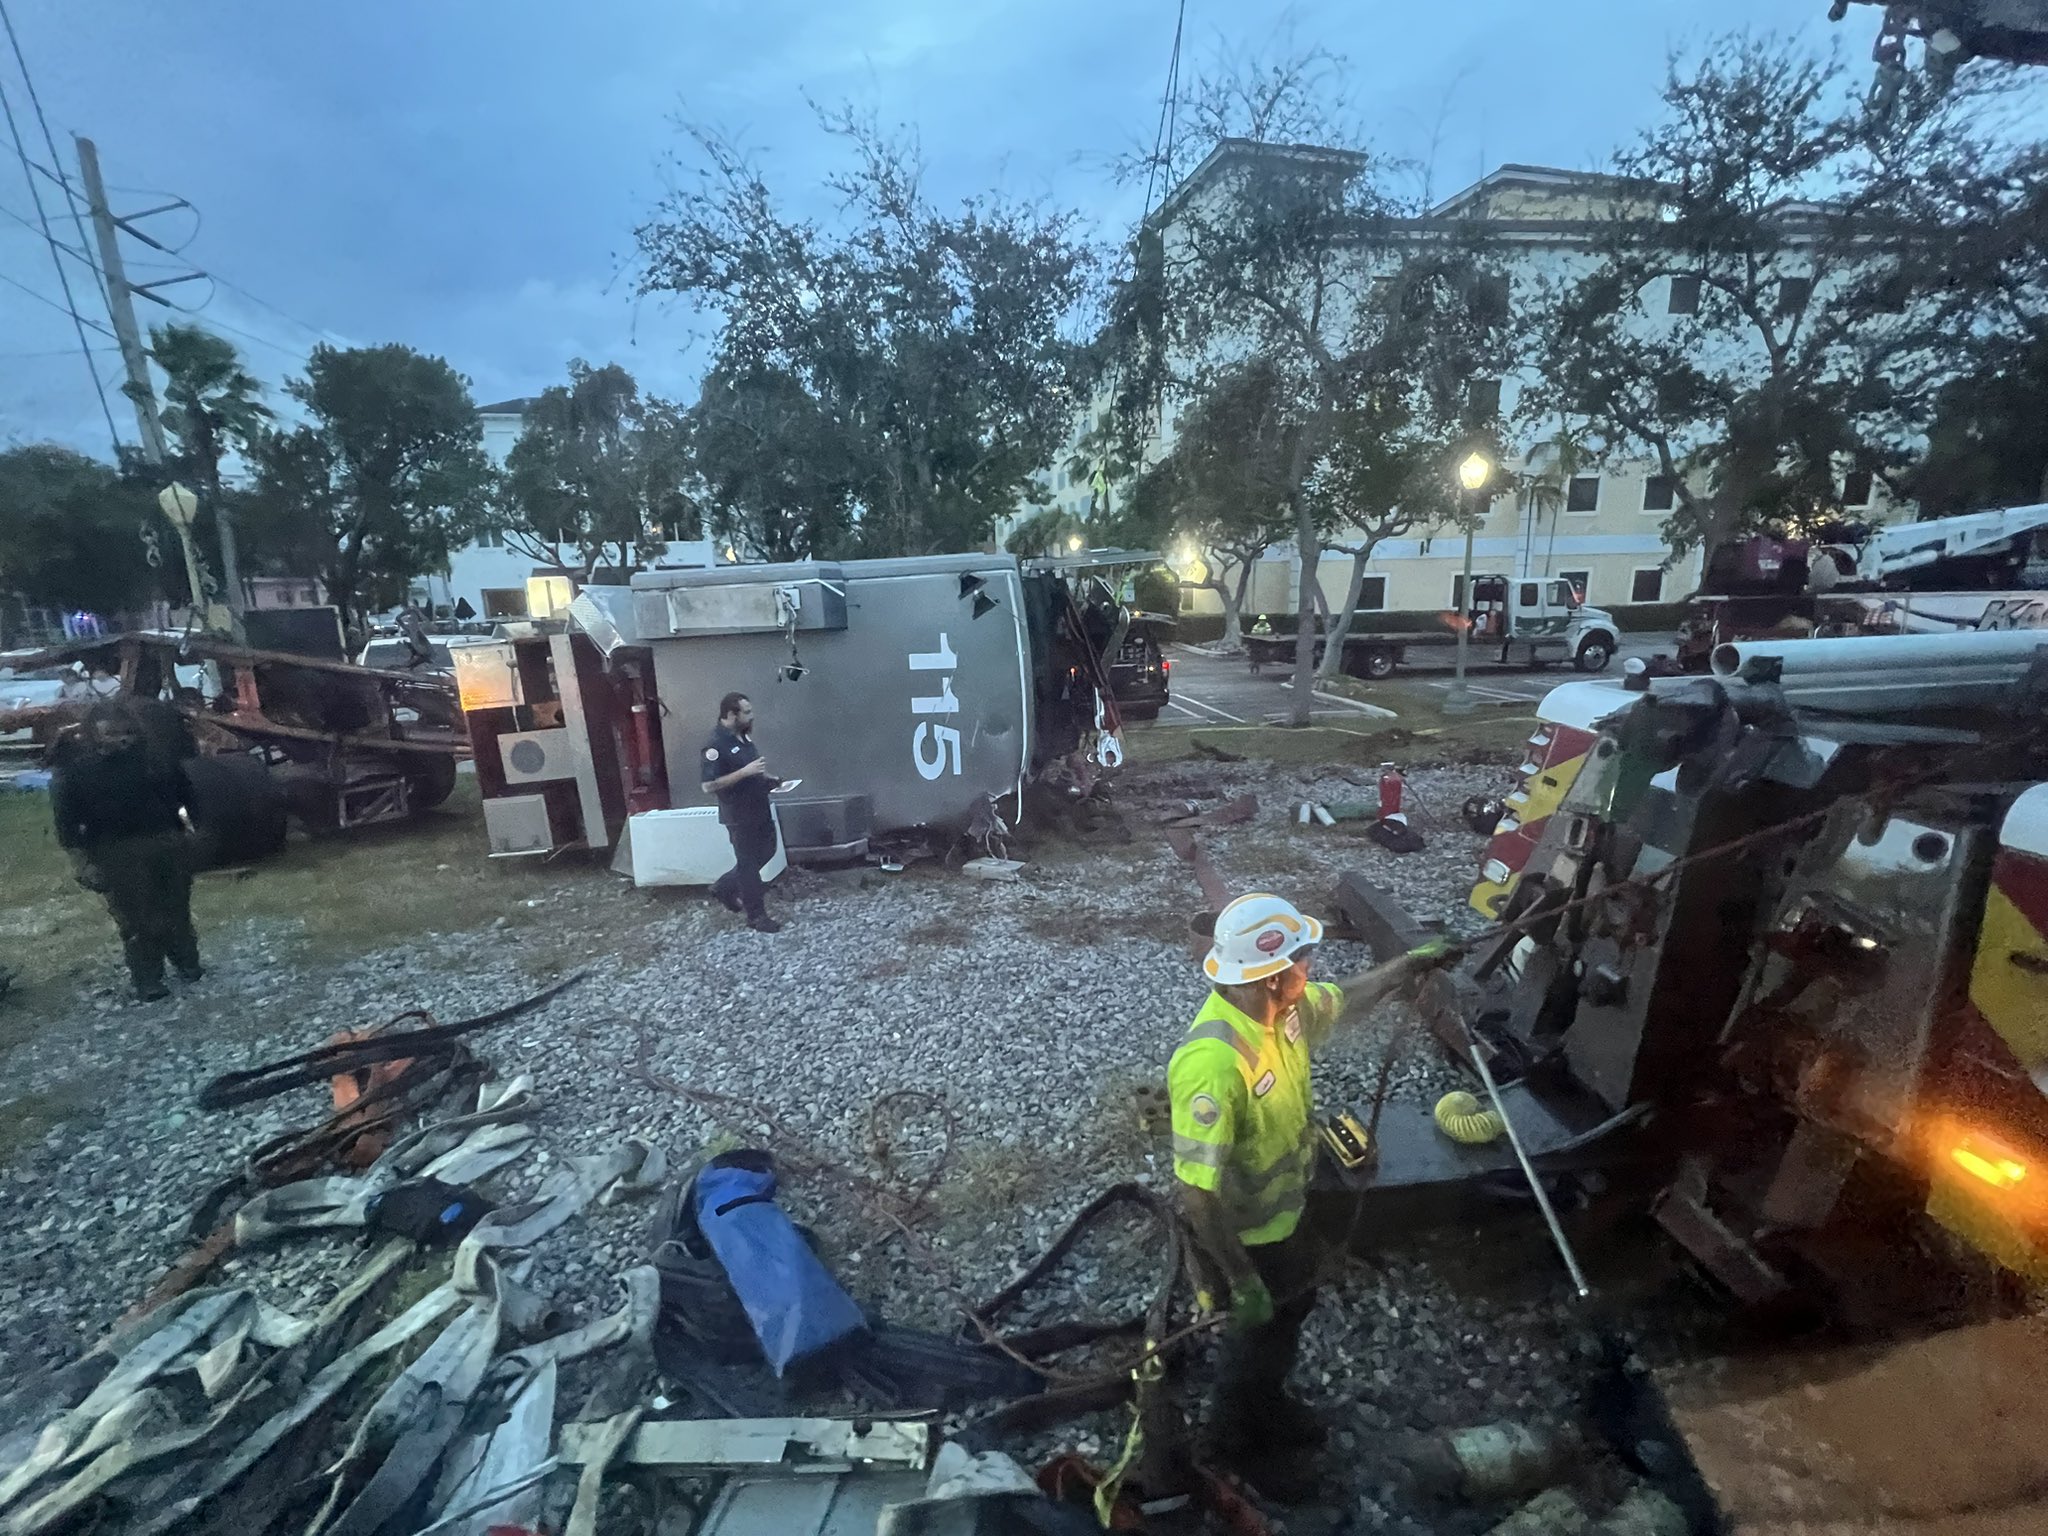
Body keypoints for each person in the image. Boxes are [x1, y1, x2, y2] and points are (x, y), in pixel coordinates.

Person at [1168, 892, 1448, 1498]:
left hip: (1287, 1218)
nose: (1310, 969)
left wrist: (1409, 966)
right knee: (1254, 1338)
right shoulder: (1214, 1063)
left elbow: (1347, 998)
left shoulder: (1283, 1012)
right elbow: (1196, 1196)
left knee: (1291, 1313)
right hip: (1243, 1242)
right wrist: (1239, 1280)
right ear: (1269, 973)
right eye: (1301, 960)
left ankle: (1267, 1400)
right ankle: (1237, 1446)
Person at [48, 697, 203, 1002]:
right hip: (114, 850)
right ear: (93, 734)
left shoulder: (154, 758)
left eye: (125, 733)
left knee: (176, 909)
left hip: (165, 839)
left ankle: (188, 963)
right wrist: (81, 861)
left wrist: (194, 831)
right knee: (137, 919)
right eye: (109, 734)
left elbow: (187, 794)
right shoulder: (78, 769)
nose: (120, 740)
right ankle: (148, 979)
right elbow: (67, 821)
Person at [700, 691, 784, 933]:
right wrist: (744, 772)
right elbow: (708, 785)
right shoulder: (715, 744)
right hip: (738, 813)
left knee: (768, 851)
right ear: (730, 714)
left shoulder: (743, 738)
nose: (752, 716)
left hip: (759, 806)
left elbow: (752, 770)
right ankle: (756, 916)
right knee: (748, 864)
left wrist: (770, 780)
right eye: (746, 712)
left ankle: (724, 886)